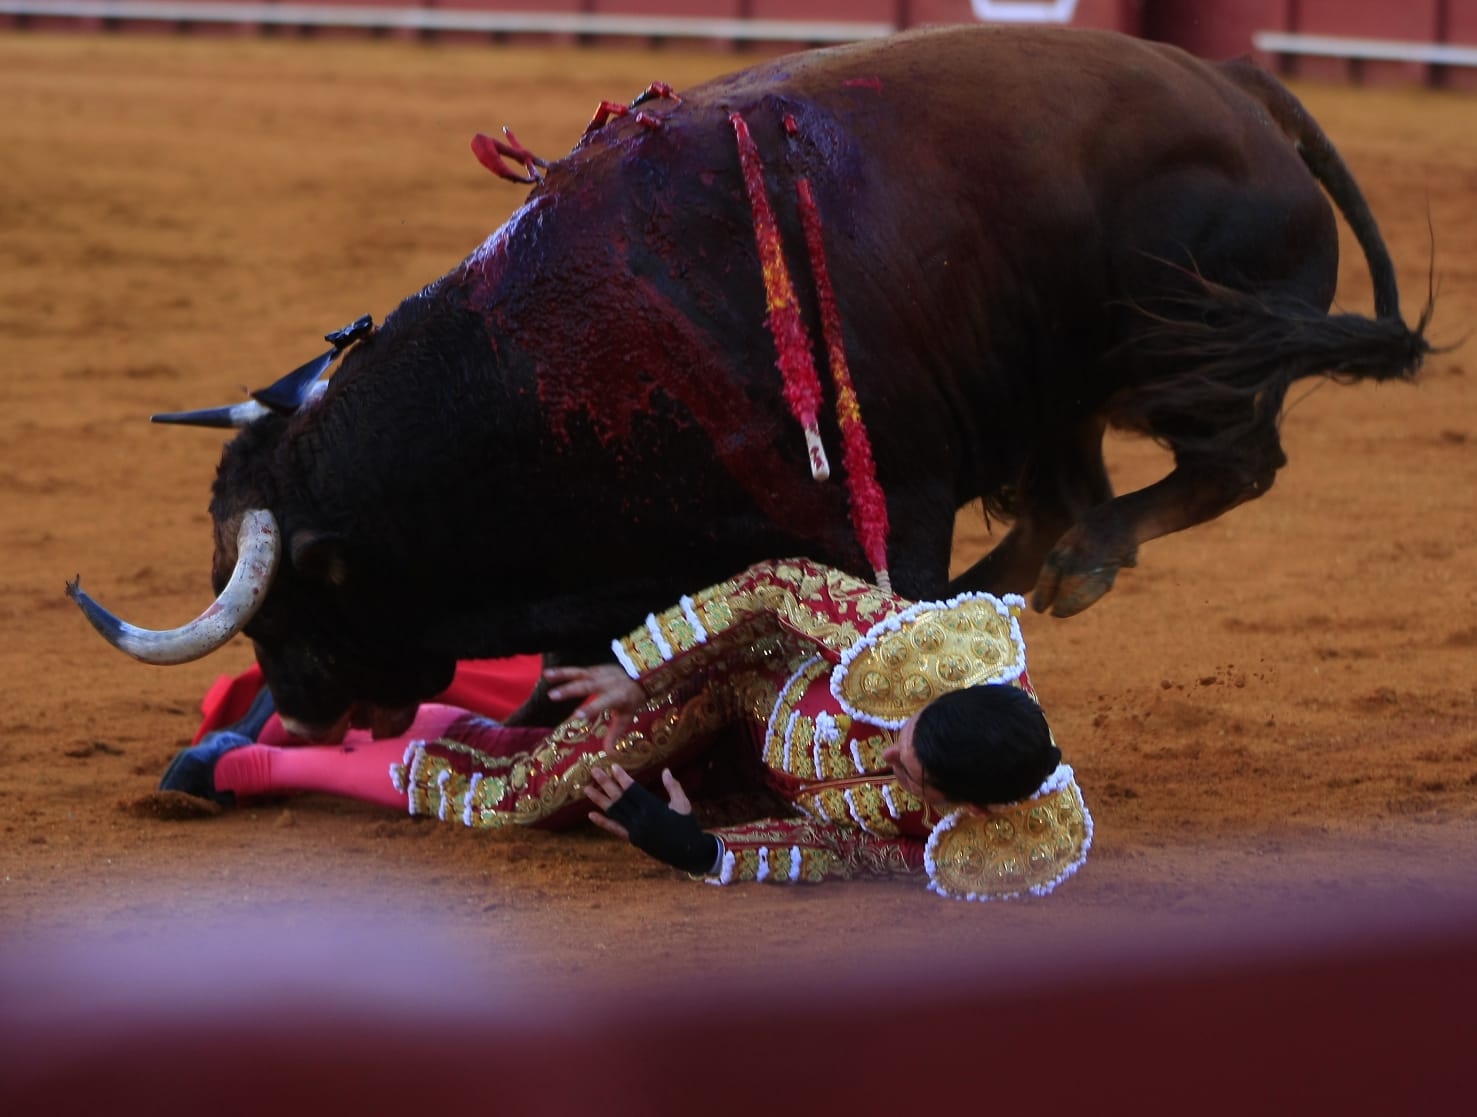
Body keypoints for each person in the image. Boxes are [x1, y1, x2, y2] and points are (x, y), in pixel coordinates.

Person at [164, 557, 1092, 901]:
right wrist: (646, 665)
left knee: (555, 786)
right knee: (522, 794)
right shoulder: (916, 652)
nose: (893, 750)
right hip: (725, 681)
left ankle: (319, 745)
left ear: (948, 800)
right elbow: (773, 586)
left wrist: (694, 848)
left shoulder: (941, 841)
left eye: (912, 770)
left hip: (745, 785)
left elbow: (821, 850)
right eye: (909, 733)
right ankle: (260, 765)